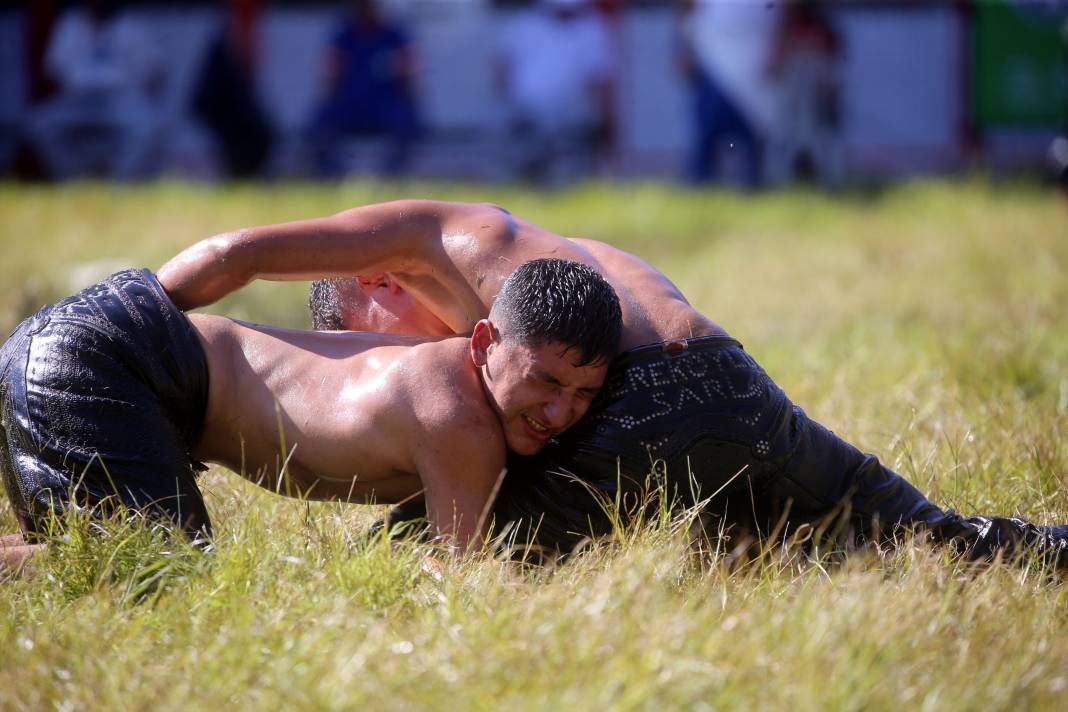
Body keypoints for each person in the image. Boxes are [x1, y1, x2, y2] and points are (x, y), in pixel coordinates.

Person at [158, 199, 1068, 568]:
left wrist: (130, 324)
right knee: (925, 536)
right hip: (737, 383)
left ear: (377, 281)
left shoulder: (444, 236)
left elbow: (242, 252)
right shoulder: (567, 262)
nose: (380, 364)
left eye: (360, 341)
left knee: (388, 566)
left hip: (630, 406)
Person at [0, 258, 623, 570]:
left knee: (74, 554)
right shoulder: (461, 422)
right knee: (157, 569)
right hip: (113, 356)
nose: (559, 409)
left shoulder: (446, 373)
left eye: (583, 394)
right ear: (486, 344)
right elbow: (456, 582)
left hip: (95, 344)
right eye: (544, 380)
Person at [23, 0, 165, 181]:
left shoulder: (133, 25)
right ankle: (71, 180)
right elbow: (54, 66)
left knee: (148, 127)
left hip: (120, 101)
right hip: (77, 99)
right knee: (38, 124)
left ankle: (122, 182)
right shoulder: (72, 24)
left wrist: (118, 78)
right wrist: (82, 77)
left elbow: (153, 68)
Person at [494, 0, 616, 184]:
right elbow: (502, 65)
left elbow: (599, 78)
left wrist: (602, 117)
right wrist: (505, 101)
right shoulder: (525, 24)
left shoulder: (591, 28)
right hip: (525, 105)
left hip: (570, 109)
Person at [305, 0, 421, 178]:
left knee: (406, 121)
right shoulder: (346, 34)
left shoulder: (392, 34)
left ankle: (391, 176)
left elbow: (408, 69)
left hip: (384, 103)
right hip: (351, 102)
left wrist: (409, 94)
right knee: (321, 121)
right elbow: (332, 69)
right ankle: (331, 175)